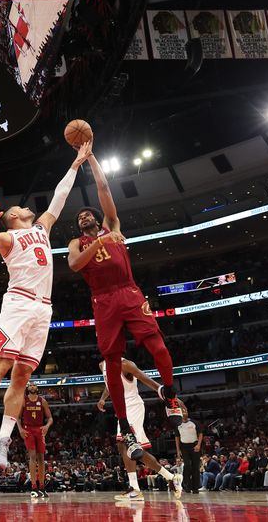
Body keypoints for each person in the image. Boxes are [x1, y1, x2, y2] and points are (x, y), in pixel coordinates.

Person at [0, 142, 93, 470]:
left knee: (22, 375)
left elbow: (59, 199)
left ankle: (2, 440)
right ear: (13, 218)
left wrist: (76, 165)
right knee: (1, 363)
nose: (26, 207)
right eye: (20, 208)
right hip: (19, 302)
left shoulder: (42, 229)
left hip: (43, 308)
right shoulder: (8, 237)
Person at [68, 145, 182, 460]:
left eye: (87, 213)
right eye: (80, 217)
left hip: (129, 292)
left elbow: (104, 188)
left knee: (157, 345)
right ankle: (125, 429)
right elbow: (76, 265)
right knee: (113, 367)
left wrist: (91, 157)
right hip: (103, 301)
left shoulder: (112, 226)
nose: (84, 216)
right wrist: (102, 241)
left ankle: (169, 396)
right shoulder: (79, 243)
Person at [97, 358, 181, 501]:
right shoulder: (102, 365)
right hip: (122, 410)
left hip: (133, 406)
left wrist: (165, 393)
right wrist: (103, 398)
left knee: (124, 443)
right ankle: (171, 477)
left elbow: (147, 380)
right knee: (136, 451)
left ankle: (135, 489)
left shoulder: (126, 364)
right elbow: (110, 385)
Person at [17, 382, 53, 498]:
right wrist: (20, 429)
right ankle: (33, 486)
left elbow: (50, 418)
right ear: (27, 388)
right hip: (28, 430)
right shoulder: (23, 400)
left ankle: (42, 487)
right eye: (30, 385)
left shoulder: (42, 401)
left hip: (39, 429)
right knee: (32, 456)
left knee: (42, 458)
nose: (32, 386)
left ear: (37, 388)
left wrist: (47, 426)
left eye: (34, 385)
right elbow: (17, 417)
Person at [174, 404, 203, 494]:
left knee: (195, 467)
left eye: (185, 411)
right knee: (187, 466)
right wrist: (178, 451)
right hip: (184, 447)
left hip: (194, 446)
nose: (184, 412)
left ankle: (195, 488)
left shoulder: (194, 422)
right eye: (182, 411)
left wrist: (198, 445)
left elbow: (200, 434)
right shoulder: (178, 424)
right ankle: (187, 486)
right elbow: (177, 438)